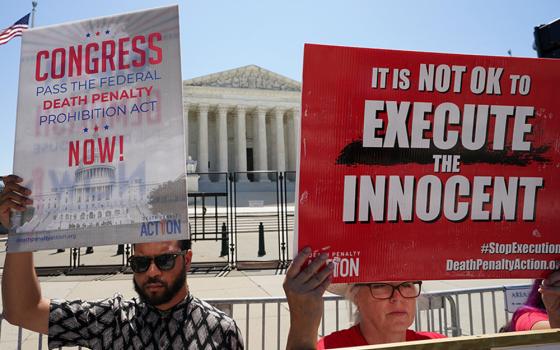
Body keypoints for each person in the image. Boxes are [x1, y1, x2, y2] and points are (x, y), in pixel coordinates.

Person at [0, 175, 244, 349]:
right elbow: (23, 310)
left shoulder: (220, 331)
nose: (152, 272)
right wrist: (20, 232)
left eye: (165, 260)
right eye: (140, 263)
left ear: (187, 259)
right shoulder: (112, 321)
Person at [283, 247, 445, 350]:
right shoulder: (330, 348)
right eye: (380, 286)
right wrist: (302, 325)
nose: (397, 297)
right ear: (356, 297)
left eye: (407, 284)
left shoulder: (439, 345)